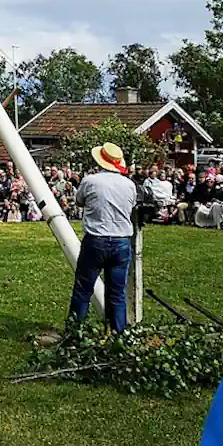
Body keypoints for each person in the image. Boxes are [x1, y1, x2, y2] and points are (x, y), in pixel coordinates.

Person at [68, 142, 136, 332]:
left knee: (83, 289)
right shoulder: (129, 185)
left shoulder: (90, 181)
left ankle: (75, 333)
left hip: (96, 239)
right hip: (122, 240)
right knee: (117, 293)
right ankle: (118, 334)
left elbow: (79, 201)